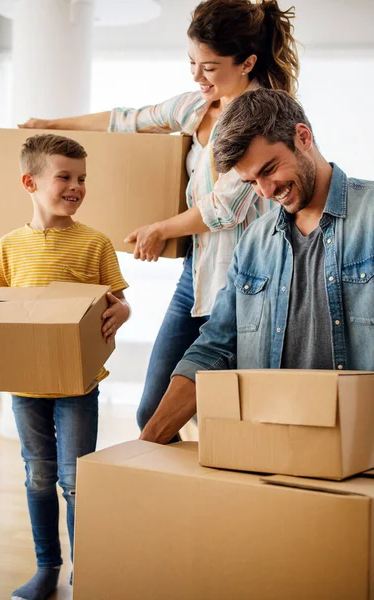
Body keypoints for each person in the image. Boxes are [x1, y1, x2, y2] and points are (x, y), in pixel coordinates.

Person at [20, 0, 299, 441]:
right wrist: (51, 123)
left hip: (253, 280)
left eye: (209, 67)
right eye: (191, 62)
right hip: (199, 273)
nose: (196, 76)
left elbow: (225, 207)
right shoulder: (195, 105)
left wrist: (160, 229)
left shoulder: (266, 117)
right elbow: (127, 120)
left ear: (247, 62)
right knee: (151, 411)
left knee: (237, 417)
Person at [137, 88, 374, 445]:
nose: (264, 192)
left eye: (269, 169)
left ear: (303, 137)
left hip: (360, 448)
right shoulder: (254, 241)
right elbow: (215, 347)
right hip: (270, 447)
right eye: (250, 182)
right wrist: (148, 442)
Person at [0, 134, 130, 600]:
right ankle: (46, 567)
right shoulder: (8, 248)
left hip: (77, 384)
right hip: (26, 386)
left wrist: (122, 312)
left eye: (82, 178)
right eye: (64, 177)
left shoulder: (95, 243)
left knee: (75, 481)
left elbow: (117, 302)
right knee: (38, 475)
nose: (76, 186)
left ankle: (82, 572)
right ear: (30, 182)